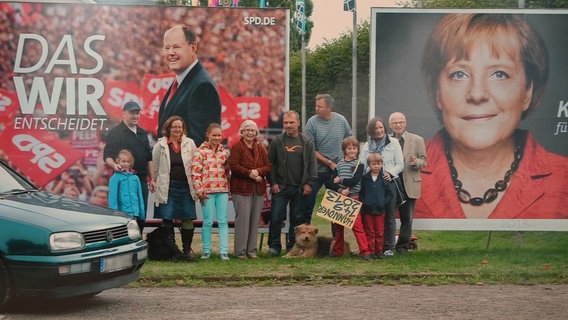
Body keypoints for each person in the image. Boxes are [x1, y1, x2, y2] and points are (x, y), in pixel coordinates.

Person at [417, 13, 568, 219]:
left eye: (499, 74)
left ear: (527, 92)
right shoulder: (403, 172)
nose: (477, 94)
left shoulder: (563, 178)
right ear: (437, 93)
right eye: (459, 74)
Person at [158, 25, 222, 147]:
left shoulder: (202, 86)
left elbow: (199, 143)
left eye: (176, 47)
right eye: (167, 48)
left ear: (193, 47)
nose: (170, 53)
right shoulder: (181, 80)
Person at [267, 111, 317, 256]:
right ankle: (274, 247)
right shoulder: (277, 141)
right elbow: (271, 164)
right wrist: (273, 182)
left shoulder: (306, 142)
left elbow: (312, 164)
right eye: (285, 123)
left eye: (291, 123)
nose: (288, 125)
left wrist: (309, 183)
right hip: (281, 187)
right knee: (276, 217)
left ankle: (292, 246)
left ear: (298, 123)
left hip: (300, 188)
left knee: (296, 219)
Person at [103, 101, 155, 232]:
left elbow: (149, 158)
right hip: (122, 179)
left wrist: (153, 179)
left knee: (141, 212)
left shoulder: (143, 133)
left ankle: (138, 239)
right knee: (124, 214)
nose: (135, 116)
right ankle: (125, 243)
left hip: (141, 180)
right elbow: (107, 155)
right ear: (124, 113)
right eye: (132, 113)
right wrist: (114, 165)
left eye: (137, 113)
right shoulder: (116, 133)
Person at [152, 116, 198, 260]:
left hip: (185, 185)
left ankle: (186, 250)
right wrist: (156, 181)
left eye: (180, 126)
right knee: (167, 218)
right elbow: (156, 166)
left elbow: (196, 164)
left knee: (188, 218)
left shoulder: (190, 143)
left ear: (183, 129)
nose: (177, 129)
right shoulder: (160, 145)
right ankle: (170, 251)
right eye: (174, 126)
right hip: (168, 186)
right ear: (168, 128)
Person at [304, 94, 351, 225]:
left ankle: (337, 243)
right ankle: (304, 237)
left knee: (337, 211)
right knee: (307, 204)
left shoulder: (341, 120)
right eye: (316, 106)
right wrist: (329, 163)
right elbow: (310, 149)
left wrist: (345, 163)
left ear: (329, 107)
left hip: (336, 171)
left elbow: (349, 141)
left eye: (320, 106)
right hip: (316, 171)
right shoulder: (311, 122)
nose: (316, 109)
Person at [360, 117, 404, 258]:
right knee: (371, 216)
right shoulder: (367, 146)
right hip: (371, 184)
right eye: (375, 128)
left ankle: (388, 247)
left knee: (389, 216)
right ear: (371, 131)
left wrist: (390, 173)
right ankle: (371, 248)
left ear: (384, 128)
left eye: (381, 127)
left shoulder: (394, 142)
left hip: (388, 183)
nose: (378, 131)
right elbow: (362, 165)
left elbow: (400, 164)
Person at [229, 120, 272, 259]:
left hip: (258, 189)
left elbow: (268, 166)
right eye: (247, 130)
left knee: (254, 221)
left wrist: (258, 172)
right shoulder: (236, 147)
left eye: (253, 130)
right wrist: (250, 174)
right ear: (242, 132)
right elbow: (233, 166)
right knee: (243, 221)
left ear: (256, 133)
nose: (250, 133)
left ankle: (252, 251)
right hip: (241, 189)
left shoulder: (260, 148)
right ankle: (240, 252)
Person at [192, 123, 231, 260]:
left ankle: (224, 251)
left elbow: (227, 173)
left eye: (219, 135)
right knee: (208, 221)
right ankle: (206, 251)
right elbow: (195, 174)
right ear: (207, 135)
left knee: (223, 221)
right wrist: (200, 192)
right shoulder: (199, 152)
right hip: (207, 192)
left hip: (222, 191)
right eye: (214, 135)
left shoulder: (224, 153)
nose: (216, 138)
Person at [389, 112, 427, 253]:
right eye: (395, 123)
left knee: (407, 218)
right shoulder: (386, 140)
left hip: (409, 183)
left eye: (400, 122)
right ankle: (387, 245)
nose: (398, 125)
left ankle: (402, 246)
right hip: (391, 184)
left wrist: (416, 162)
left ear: (405, 123)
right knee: (388, 217)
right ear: (390, 125)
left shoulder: (417, 139)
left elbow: (424, 160)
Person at [329, 137, 371, 260]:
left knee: (357, 226)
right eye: (349, 148)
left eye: (354, 148)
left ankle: (365, 251)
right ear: (344, 150)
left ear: (357, 150)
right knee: (338, 227)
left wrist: (341, 180)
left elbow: (354, 181)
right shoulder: (339, 164)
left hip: (353, 198)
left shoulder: (359, 165)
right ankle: (338, 250)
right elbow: (331, 182)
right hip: (340, 198)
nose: (352, 151)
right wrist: (341, 190)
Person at [359, 153, 393, 258]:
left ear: (382, 164)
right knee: (369, 232)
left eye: (379, 163)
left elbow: (390, 193)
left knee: (379, 232)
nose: (376, 166)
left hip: (380, 210)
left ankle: (379, 251)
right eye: (374, 164)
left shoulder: (384, 178)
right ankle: (370, 251)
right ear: (369, 165)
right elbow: (361, 193)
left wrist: (383, 202)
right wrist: (364, 203)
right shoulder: (364, 179)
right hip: (367, 210)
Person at [108, 149, 146, 228]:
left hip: (135, 214)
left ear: (131, 163)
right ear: (118, 161)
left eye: (128, 161)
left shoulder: (135, 178)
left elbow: (140, 197)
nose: (125, 164)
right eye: (123, 161)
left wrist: (142, 214)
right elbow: (113, 198)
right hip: (122, 214)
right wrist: (115, 214)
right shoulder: (115, 178)